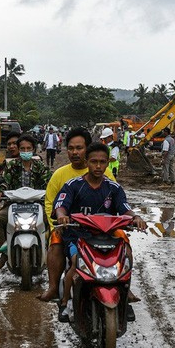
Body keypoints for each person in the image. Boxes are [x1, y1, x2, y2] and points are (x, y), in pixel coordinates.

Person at [53, 142, 146, 321]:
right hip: (78, 236)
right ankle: (65, 303)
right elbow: (60, 206)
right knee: (76, 261)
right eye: (94, 161)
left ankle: (124, 299)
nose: (98, 166)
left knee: (126, 255)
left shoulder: (114, 188)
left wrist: (135, 218)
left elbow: (125, 208)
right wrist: (62, 216)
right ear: (87, 162)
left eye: (102, 162)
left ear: (107, 163)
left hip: (106, 236)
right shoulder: (73, 185)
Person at [36, 127, 116, 302]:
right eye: (71, 148)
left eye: (79, 148)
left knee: (123, 240)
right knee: (55, 242)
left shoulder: (106, 173)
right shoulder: (60, 175)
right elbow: (50, 202)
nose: (74, 152)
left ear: (87, 149)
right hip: (70, 228)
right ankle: (53, 287)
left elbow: (115, 200)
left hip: (102, 227)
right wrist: (56, 225)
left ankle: (122, 285)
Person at [0, 134, 51, 270]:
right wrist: (0, 190)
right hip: (13, 205)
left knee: (54, 221)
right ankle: (4, 253)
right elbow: (4, 182)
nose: (25, 151)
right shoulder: (11, 166)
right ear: (18, 149)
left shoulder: (41, 167)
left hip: (38, 205)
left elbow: (49, 183)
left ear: (33, 149)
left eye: (28, 148)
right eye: (22, 149)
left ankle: (49, 249)